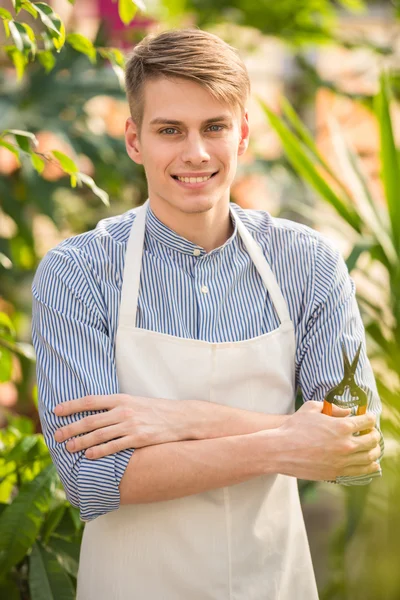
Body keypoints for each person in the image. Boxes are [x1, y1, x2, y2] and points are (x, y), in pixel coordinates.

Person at [31, 27, 384, 600]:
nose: (195, 152)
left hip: (274, 585)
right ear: (134, 139)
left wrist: (185, 420)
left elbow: (353, 449)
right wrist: (283, 441)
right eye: (170, 130)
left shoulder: (308, 262)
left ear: (242, 133)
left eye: (214, 127)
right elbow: (91, 480)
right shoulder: (79, 272)